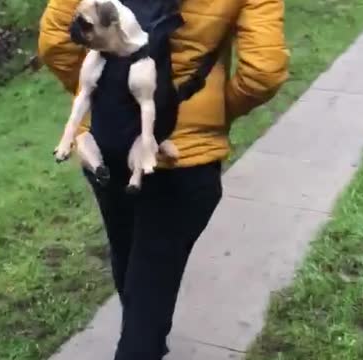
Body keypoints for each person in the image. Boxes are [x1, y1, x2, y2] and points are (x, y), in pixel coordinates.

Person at [34, 0, 289, 358]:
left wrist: (107, 101)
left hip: (111, 146)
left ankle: (144, 335)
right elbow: (263, 72)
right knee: (149, 282)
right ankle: (143, 341)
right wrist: (211, 118)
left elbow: (55, 44)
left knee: (129, 256)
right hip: (185, 160)